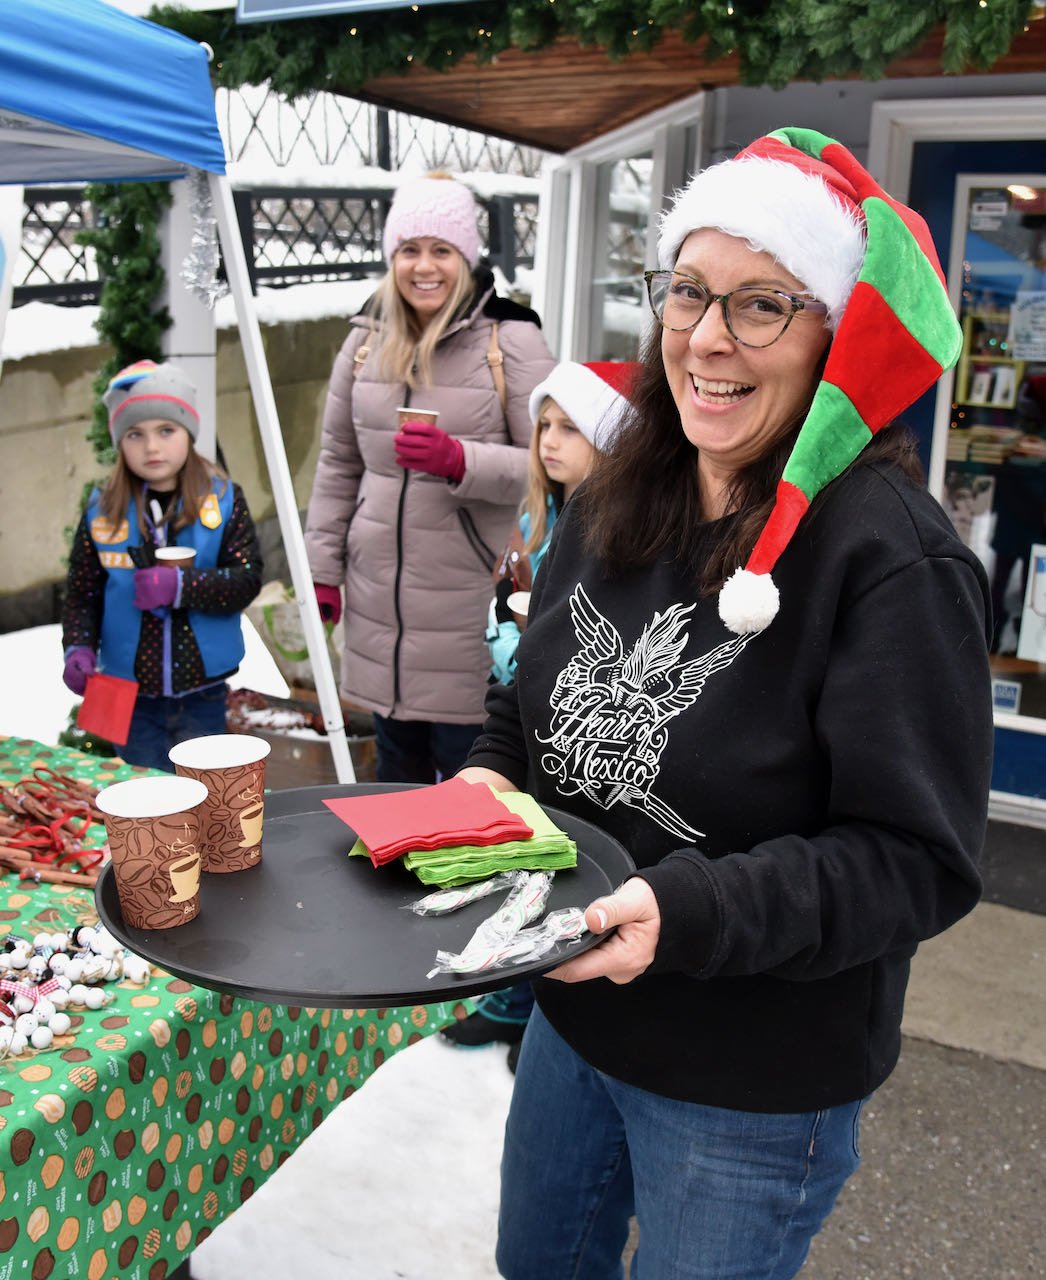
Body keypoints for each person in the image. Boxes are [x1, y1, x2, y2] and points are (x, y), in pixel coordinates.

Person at [458, 127, 994, 1279]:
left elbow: (915, 858)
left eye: (761, 305)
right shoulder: (613, 502)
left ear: (832, 337)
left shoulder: (888, 559)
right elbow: (529, 702)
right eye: (688, 292)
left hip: (751, 1079)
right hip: (576, 1012)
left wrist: (685, 914)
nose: (707, 337)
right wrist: (485, 777)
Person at [305, 172, 555, 783]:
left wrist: (458, 461)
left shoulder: (511, 339)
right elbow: (338, 462)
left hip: (471, 604)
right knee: (393, 778)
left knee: (473, 778)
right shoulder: (364, 342)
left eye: (441, 250)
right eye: (409, 250)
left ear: (466, 258)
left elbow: (553, 459)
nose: (425, 266)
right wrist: (321, 573)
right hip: (378, 603)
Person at [440, 360, 640, 1070]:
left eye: (571, 428)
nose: (550, 442)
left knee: (549, 877)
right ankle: (511, 999)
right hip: (520, 721)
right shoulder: (540, 518)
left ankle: (520, 1004)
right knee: (515, 866)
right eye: (544, 427)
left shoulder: (616, 532)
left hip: (568, 740)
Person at [61, 360, 263, 772]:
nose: (152, 448)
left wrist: (182, 587)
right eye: (135, 434)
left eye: (166, 431)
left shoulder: (223, 500)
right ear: (120, 442)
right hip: (129, 696)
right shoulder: (103, 510)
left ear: (189, 433)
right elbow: (83, 593)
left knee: (202, 795)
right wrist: (78, 647)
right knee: (145, 800)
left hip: (202, 694)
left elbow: (245, 580)